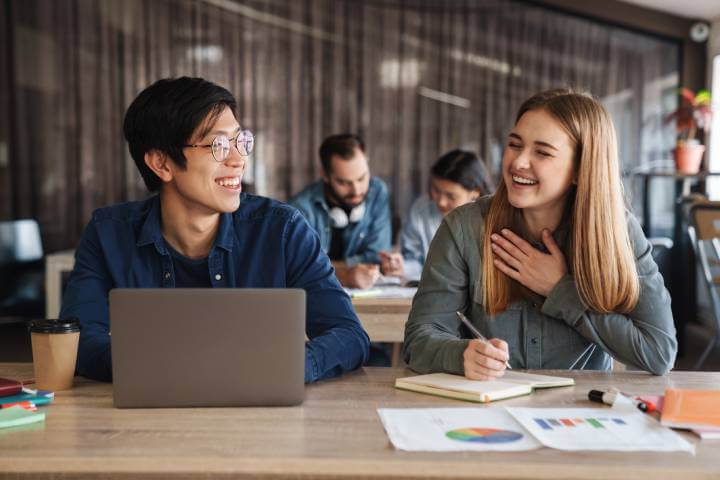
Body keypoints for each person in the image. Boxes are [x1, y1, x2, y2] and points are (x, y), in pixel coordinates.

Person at [60, 77, 369, 383]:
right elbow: (78, 340)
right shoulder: (108, 235)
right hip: (148, 424)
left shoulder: (282, 230)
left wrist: (286, 365)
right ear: (161, 163)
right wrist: (174, 367)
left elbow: (349, 336)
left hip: (259, 419)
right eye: (219, 145)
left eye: (240, 141)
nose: (239, 159)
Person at [403, 88, 676, 378]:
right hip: (487, 412)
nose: (518, 162)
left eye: (542, 152)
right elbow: (419, 340)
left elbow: (658, 352)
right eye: (514, 144)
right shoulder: (463, 228)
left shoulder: (618, 233)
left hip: (580, 415)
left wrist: (560, 289)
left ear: (579, 170)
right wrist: (461, 356)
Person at [289, 134, 391, 289]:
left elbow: (376, 256)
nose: (356, 190)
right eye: (344, 183)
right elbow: (300, 267)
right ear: (325, 175)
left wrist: (330, 266)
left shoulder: (377, 192)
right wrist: (345, 275)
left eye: (362, 178)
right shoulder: (300, 209)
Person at [379, 149, 494, 281]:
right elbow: (416, 260)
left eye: (451, 196)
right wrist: (401, 266)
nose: (440, 201)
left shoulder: (492, 218)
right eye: (436, 190)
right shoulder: (421, 210)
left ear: (475, 192)